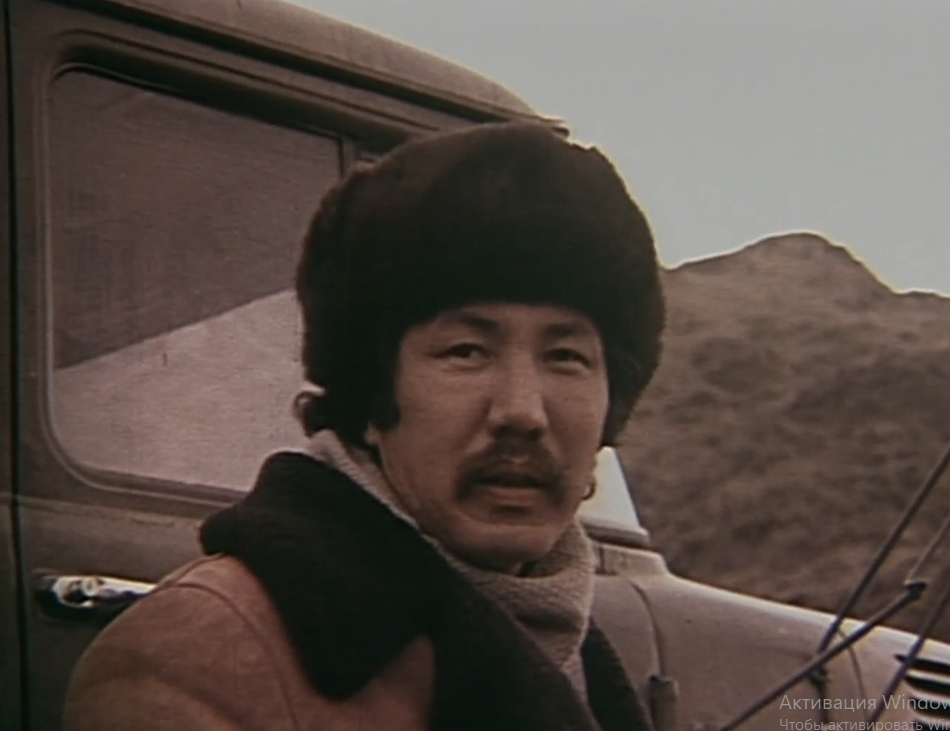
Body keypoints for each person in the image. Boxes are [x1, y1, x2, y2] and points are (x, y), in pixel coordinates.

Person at [64, 121, 666, 731]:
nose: (523, 412)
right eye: (466, 352)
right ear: (371, 395)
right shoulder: (199, 659)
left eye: (565, 357)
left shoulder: (577, 652)